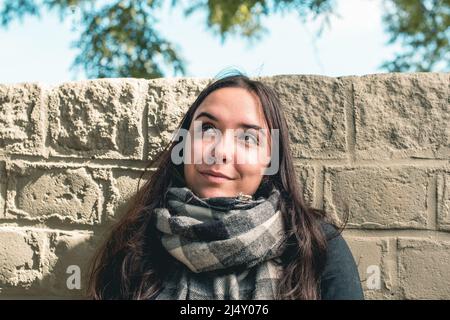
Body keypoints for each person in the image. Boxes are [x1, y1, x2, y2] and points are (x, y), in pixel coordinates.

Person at [87, 70, 364, 300]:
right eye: (207, 129)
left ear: (270, 159)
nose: (220, 151)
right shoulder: (137, 246)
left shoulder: (313, 246)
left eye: (248, 138)